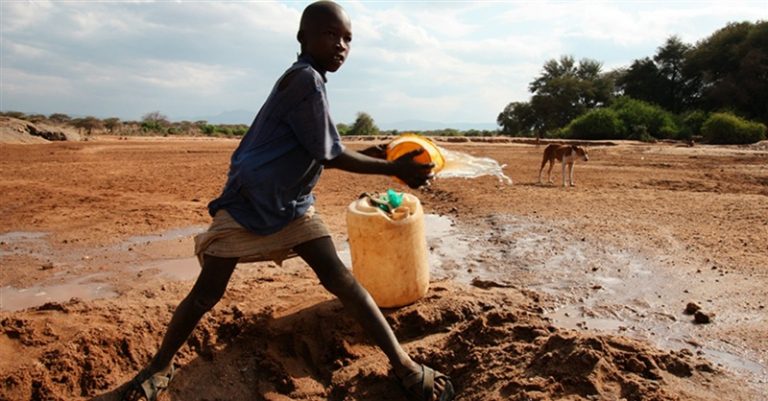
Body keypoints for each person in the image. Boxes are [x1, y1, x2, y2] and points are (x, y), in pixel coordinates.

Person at [121, 1, 455, 401]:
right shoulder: (304, 81)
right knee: (206, 296)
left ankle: (404, 366)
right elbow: (331, 155)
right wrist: (392, 169)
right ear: (303, 38)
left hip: (293, 208)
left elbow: (320, 152)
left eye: (348, 38)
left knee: (343, 282)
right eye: (331, 34)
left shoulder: (312, 83)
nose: (341, 46)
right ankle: (159, 368)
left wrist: (377, 151)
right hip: (248, 205)